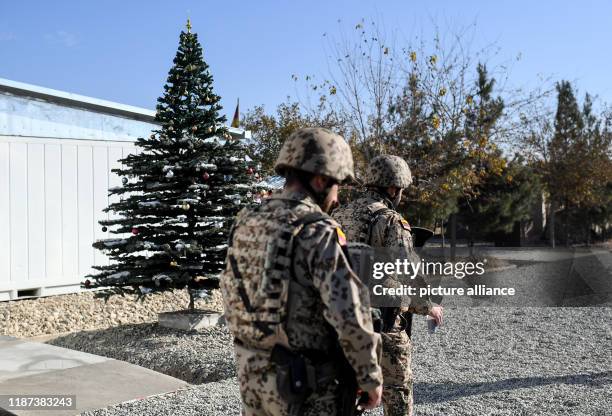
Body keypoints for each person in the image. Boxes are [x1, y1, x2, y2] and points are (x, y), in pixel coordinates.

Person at [220, 127, 383, 416]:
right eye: (337, 187)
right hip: (304, 387)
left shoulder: (246, 220)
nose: (336, 199)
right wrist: (370, 378)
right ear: (320, 180)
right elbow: (349, 313)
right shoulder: (317, 229)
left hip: (253, 377)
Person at [332, 155, 444, 416]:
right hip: (382, 322)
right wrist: (429, 307)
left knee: (344, 397)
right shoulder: (391, 220)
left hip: (341, 323)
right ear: (393, 188)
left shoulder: (337, 214)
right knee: (398, 395)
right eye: (401, 190)